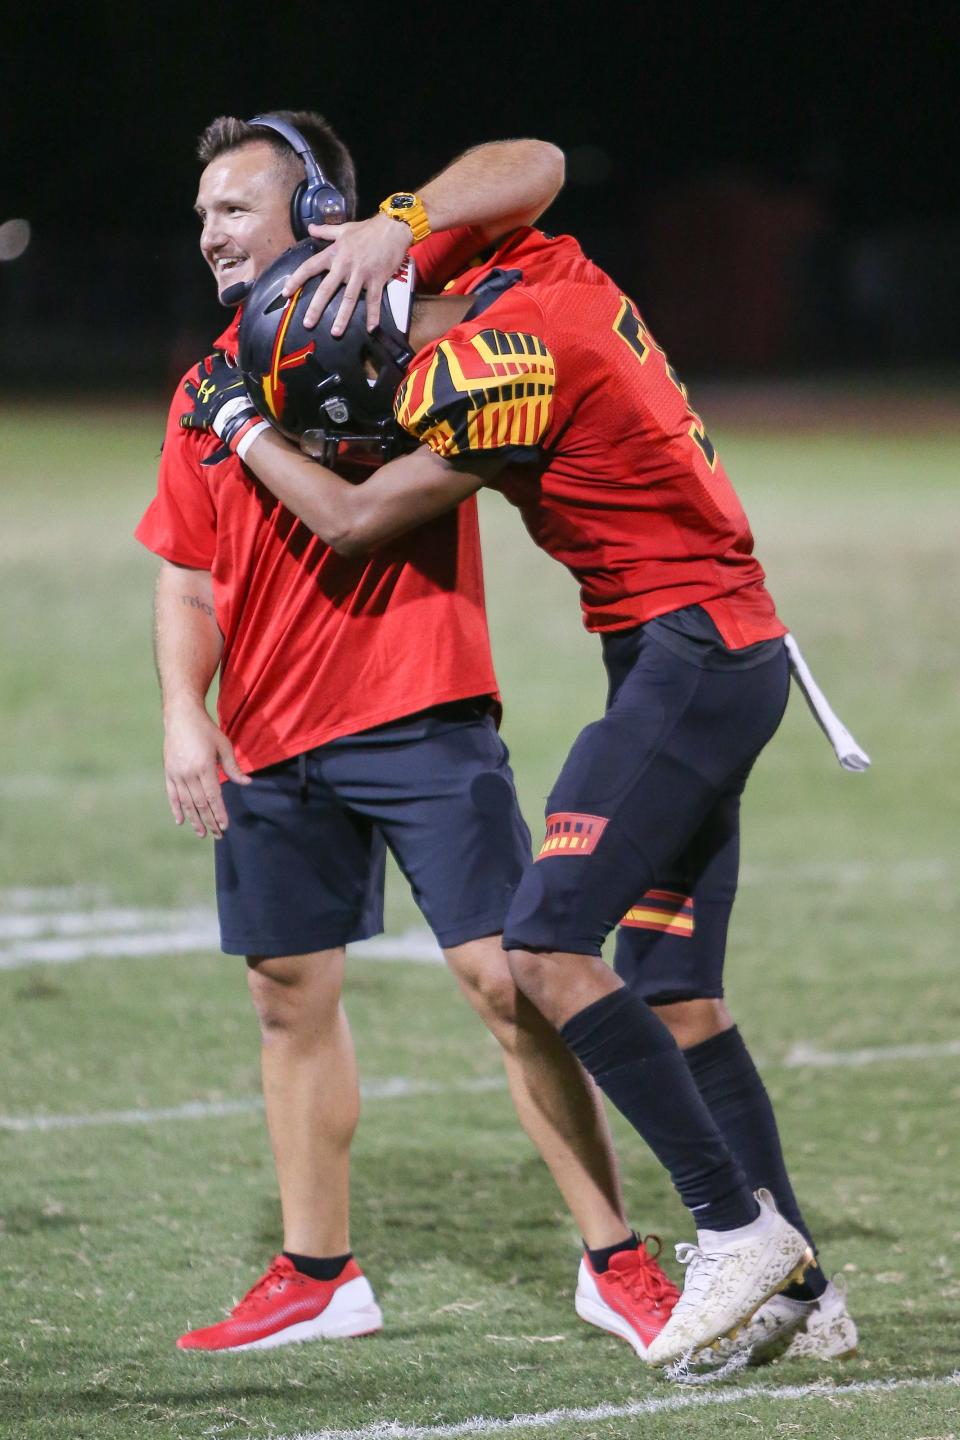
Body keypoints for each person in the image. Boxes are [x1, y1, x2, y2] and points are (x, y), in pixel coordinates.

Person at [185, 210, 860, 1367]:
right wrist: (396, 228)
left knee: (544, 939)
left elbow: (349, 519)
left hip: (689, 652)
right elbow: (530, 163)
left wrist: (246, 423)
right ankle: (803, 1287)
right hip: (716, 647)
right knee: (679, 987)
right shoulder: (529, 264)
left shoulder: (488, 370)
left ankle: (735, 1226)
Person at [136, 111, 682, 1357]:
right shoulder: (208, 375)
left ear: (316, 209)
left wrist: (400, 227)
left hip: (415, 707)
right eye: (203, 214)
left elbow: (535, 164)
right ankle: (320, 1272)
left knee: (507, 982)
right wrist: (184, 711)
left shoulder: (389, 297)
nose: (212, 233)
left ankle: (614, 1259)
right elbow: (185, 572)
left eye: (236, 207)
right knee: (289, 998)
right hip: (269, 733)